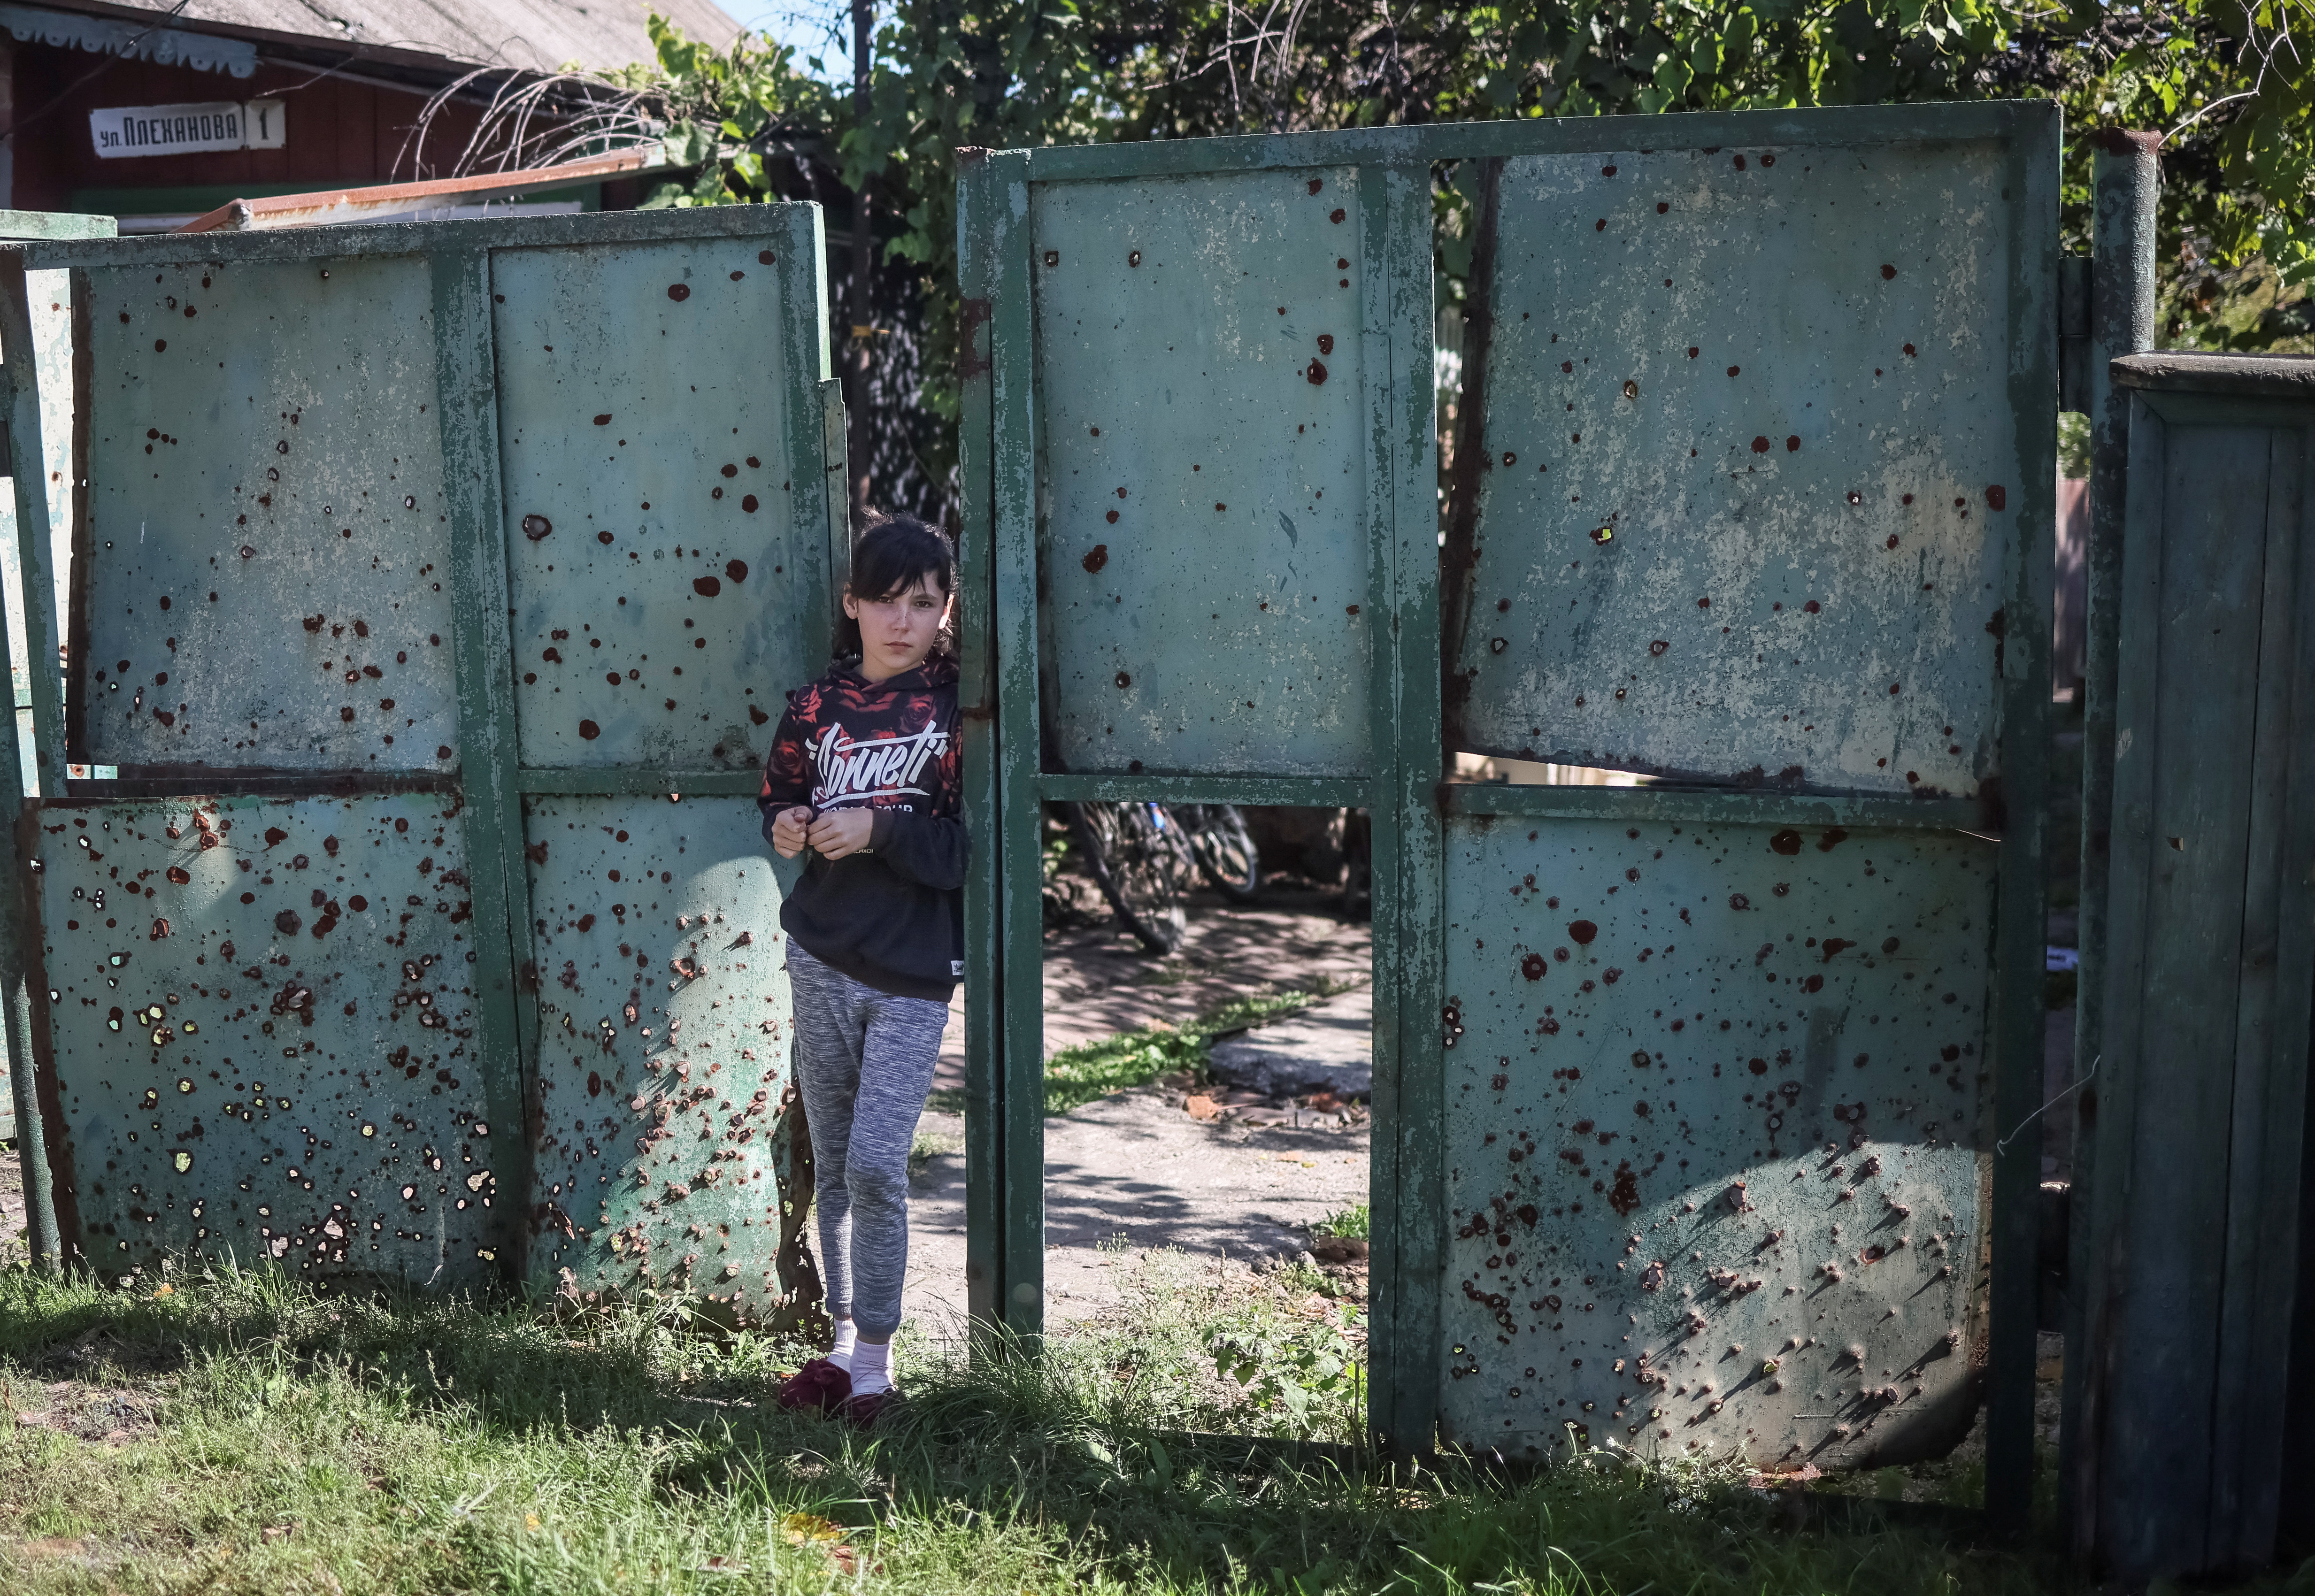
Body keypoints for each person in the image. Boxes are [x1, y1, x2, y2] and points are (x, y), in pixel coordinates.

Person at [760, 514, 965, 1424]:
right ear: (853, 604)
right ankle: (842, 1347)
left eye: (923, 603)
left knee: (880, 1163)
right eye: (884, 599)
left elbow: (964, 851)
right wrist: (792, 826)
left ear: (945, 610)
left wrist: (880, 828)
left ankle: (879, 1360)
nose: (901, 620)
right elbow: (780, 795)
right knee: (835, 1161)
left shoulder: (959, 714)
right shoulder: (814, 708)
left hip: (913, 971)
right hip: (821, 952)